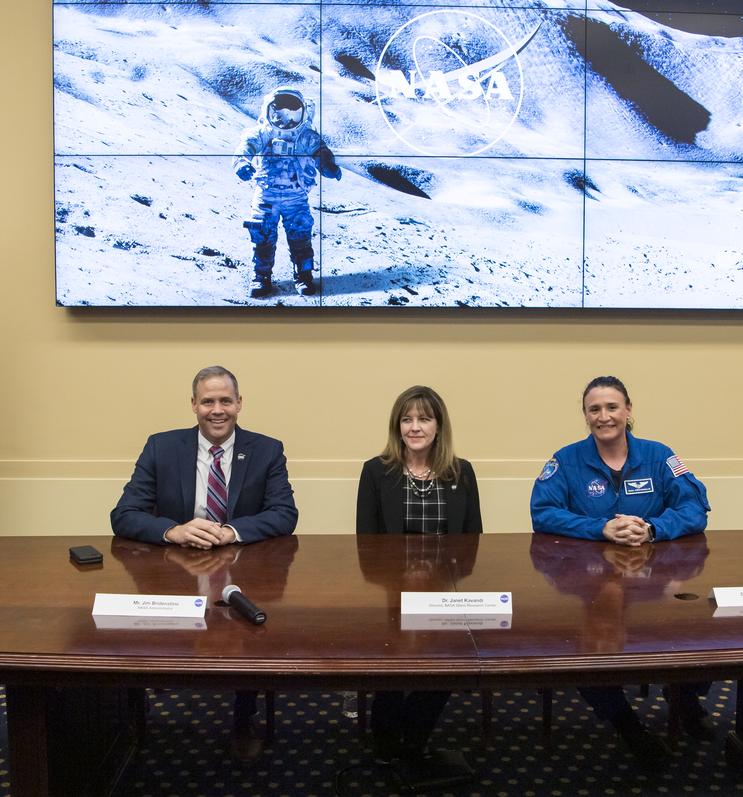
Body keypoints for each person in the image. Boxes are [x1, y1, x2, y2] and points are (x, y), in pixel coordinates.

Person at [111, 365, 298, 761]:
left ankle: (244, 717)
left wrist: (231, 531)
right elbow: (124, 514)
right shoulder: (161, 447)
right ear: (193, 405)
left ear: (239, 404)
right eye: (208, 401)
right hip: (175, 572)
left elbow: (285, 513)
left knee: (247, 636)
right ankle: (138, 721)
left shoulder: (267, 450)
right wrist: (172, 531)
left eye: (225, 401)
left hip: (242, 573)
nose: (218, 410)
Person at [530, 375, 711, 770]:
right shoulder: (566, 459)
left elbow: (696, 508)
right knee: (587, 658)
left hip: (655, 585)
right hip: (590, 587)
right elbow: (542, 512)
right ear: (585, 416)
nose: (604, 416)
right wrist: (601, 528)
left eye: (612, 407)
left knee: (697, 637)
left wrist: (652, 529)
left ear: (628, 411)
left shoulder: (660, 455)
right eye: (594, 409)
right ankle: (628, 726)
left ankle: (685, 697)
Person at [356, 385, 482, 766]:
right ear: (397, 426)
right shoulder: (376, 471)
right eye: (407, 419)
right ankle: (386, 748)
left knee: (444, 671)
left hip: (445, 589)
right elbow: (366, 543)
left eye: (424, 419)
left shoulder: (462, 472)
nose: (415, 427)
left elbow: (473, 542)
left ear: (439, 426)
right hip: (392, 593)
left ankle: (411, 744)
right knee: (392, 673)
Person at [233, 86, 342, 299]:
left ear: (302, 113)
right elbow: (246, 147)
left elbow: (320, 151)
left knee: (300, 235)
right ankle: (261, 276)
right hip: (267, 195)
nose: (286, 121)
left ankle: (304, 275)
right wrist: (242, 163)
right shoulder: (263, 132)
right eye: (280, 114)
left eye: (293, 115)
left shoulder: (305, 135)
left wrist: (328, 166)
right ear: (269, 111)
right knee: (262, 236)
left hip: (296, 197)